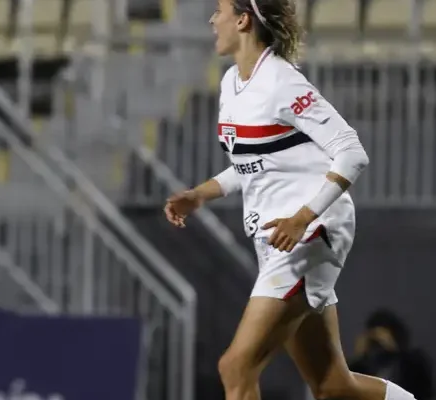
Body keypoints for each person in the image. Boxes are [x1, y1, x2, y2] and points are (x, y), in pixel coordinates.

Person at [163, 0, 419, 399]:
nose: (213, 20)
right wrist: (200, 194)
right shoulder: (232, 82)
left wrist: (303, 217)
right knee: (333, 385)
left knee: (235, 366)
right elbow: (255, 162)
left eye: (219, 11)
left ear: (243, 20)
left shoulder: (283, 83)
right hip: (278, 237)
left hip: (310, 232)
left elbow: (352, 152)